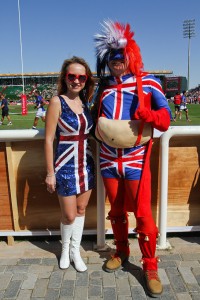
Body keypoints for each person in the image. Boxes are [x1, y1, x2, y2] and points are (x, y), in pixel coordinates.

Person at [92, 20, 171, 297]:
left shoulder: (150, 82)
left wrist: (149, 115)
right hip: (108, 159)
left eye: (121, 56)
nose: (117, 61)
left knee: (144, 215)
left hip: (136, 158)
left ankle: (150, 265)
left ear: (131, 56)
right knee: (116, 210)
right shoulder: (104, 88)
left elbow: (166, 120)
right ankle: (122, 250)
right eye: (112, 57)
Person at [44, 56, 95, 272]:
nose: (76, 80)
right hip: (64, 165)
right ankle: (65, 249)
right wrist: (50, 173)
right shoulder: (57, 101)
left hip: (86, 163)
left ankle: (76, 250)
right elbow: (48, 140)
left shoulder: (87, 103)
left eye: (81, 77)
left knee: (82, 209)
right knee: (69, 215)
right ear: (65, 78)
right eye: (71, 76)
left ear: (86, 80)